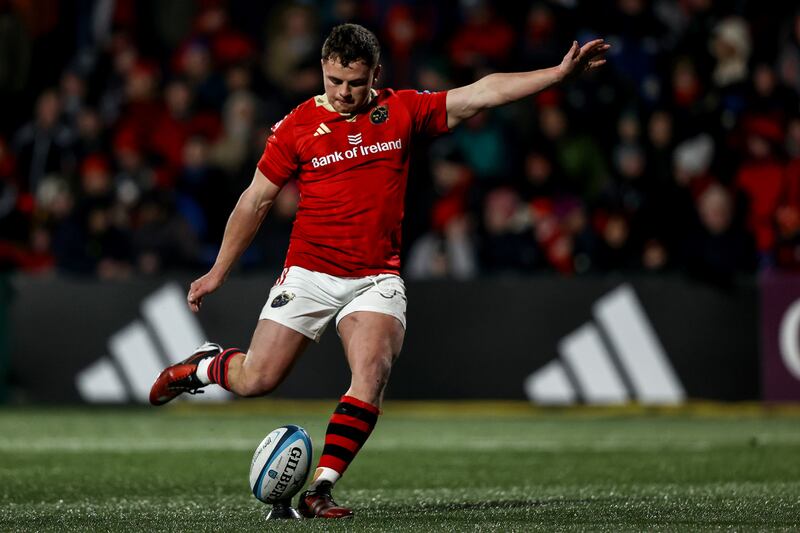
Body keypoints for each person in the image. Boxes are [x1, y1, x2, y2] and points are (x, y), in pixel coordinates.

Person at [149, 23, 608, 519]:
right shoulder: (296, 127)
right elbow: (254, 201)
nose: (344, 93)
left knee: (372, 372)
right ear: (323, 72)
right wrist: (218, 271)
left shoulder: (402, 110)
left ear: (376, 75)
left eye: (355, 82)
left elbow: (481, 93)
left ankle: (320, 489)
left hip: (375, 278)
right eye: (333, 81)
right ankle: (203, 365)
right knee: (257, 379)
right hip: (309, 272)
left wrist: (555, 75)